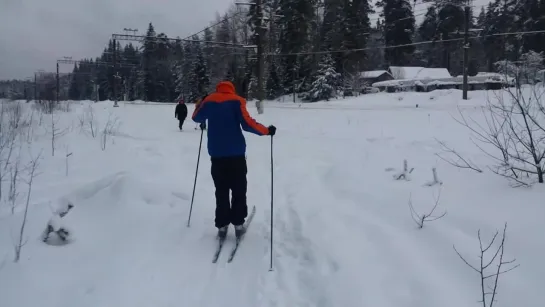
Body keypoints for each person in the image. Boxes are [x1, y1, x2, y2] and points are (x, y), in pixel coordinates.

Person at [192, 81, 276, 239]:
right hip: (236, 154)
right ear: (231, 89)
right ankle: (238, 224)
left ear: (218, 89)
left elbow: (196, 118)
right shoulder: (237, 101)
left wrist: (201, 102)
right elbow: (247, 124)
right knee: (239, 189)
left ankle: (222, 225)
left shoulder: (209, 101)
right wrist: (266, 131)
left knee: (221, 191)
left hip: (216, 155)